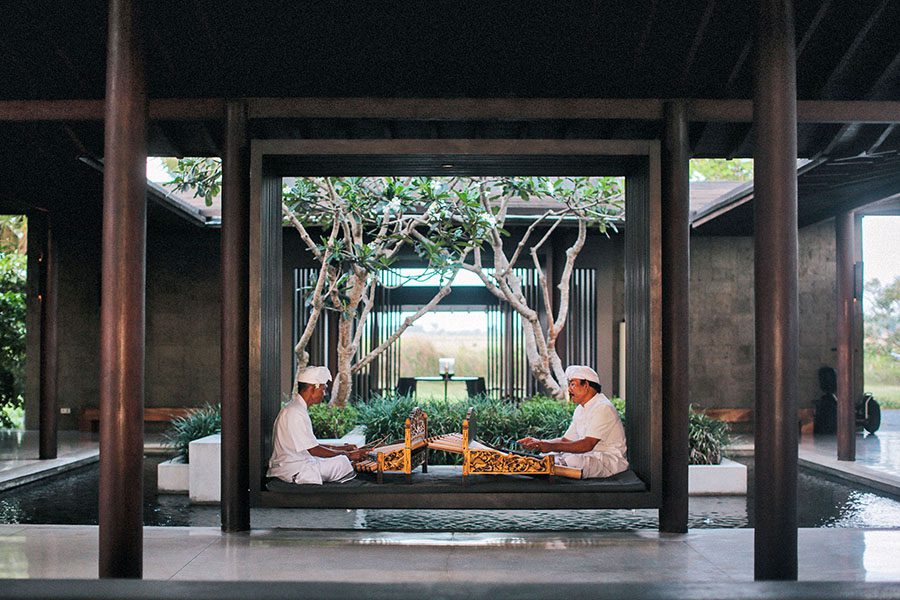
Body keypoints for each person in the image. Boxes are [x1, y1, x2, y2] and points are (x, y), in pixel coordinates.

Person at [518, 365, 628, 478]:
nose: (569, 390)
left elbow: (587, 445)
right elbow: (565, 440)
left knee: (573, 460)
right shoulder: (580, 409)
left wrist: (550, 446)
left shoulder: (603, 407)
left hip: (609, 463)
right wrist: (539, 443)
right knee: (548, 456)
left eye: (573, 384)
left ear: (586, 385)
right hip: (590, 457)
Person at [267, 366, 368, 485]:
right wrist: (348, 455)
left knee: (341, 459)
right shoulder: (295, 412)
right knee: (342, 462)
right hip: (294, 469)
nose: (324, 393)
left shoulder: (295, 408)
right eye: (323, 389)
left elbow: (312, 445)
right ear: (313, 388)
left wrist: (342, 448)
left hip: (295, 464)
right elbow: (313, 450)